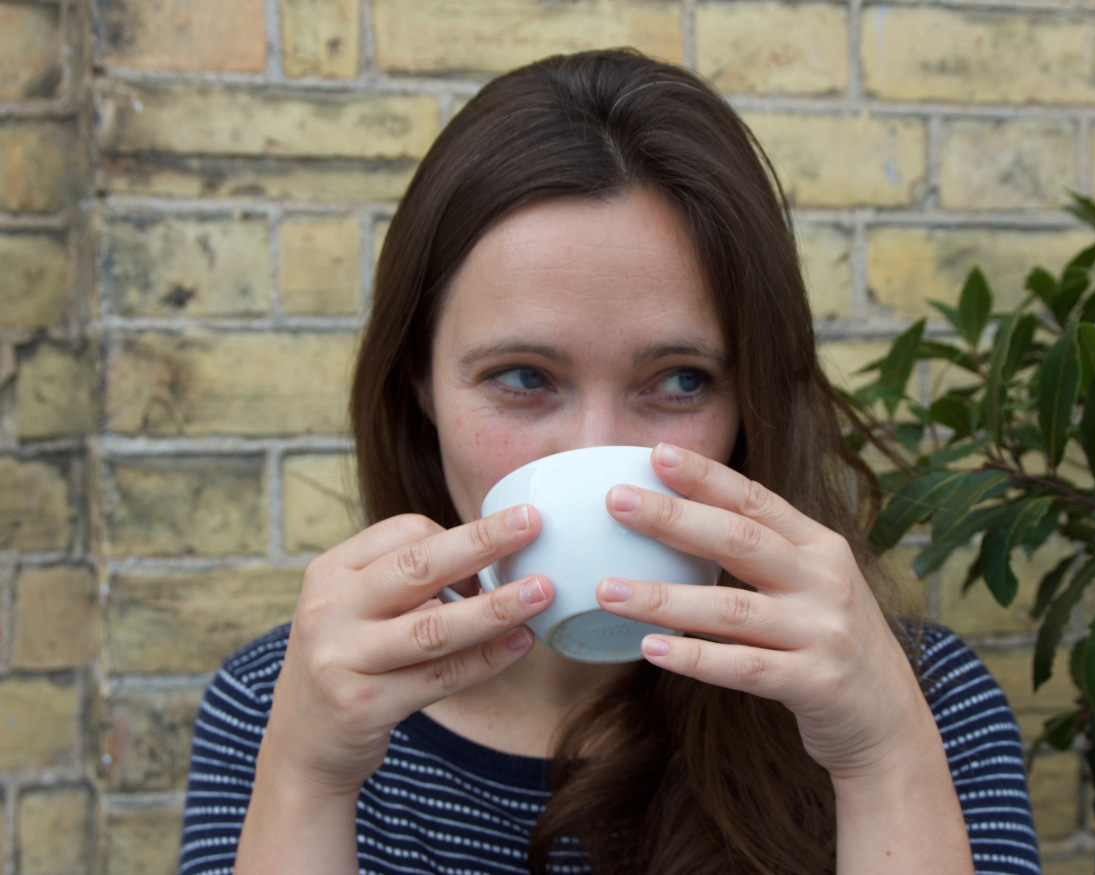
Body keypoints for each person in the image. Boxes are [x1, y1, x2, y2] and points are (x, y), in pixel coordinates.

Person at [177, 48, 1041, 875]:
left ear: (751, 402)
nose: (599, 454)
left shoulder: (916, 701)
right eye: (523, 377)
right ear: (420, 383)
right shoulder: (281, 704)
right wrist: (305, 779)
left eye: (678, 380)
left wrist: (883, 755)